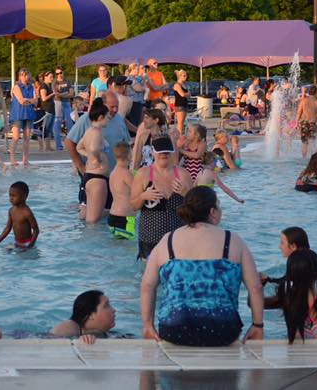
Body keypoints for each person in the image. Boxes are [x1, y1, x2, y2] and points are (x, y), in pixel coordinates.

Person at [140, 186, 263, 346]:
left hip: (174, 330)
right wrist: (257, 325)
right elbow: (255, 287)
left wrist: (147, 325)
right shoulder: (232, 240)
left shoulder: (167, 240)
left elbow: (147, 286)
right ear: (212, 212)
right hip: (224, 331)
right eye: (219, 205)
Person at [130, 135, 190, 259]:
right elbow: (133, 206)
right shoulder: (143, 174)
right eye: (160, 151)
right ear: (152, 151)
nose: (164, 154)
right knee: (149, 277)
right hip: (149, 240)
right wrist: (143, 196)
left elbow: (196, 208)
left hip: (177, 240)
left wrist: (185, 193)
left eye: (167, 151)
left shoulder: (183, 174)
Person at [77, 103, 111, 223]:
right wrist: (98, 159)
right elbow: (94, 148)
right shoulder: (97, 132)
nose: (109, 120)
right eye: (108, 117)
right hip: (98, 178)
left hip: (89, 177)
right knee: (93, 222)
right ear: (101, 117)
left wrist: (89, 155)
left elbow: (79, 148)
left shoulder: (88, 131)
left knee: (88, 218)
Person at [50, 290, 116, 344]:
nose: (114, 310)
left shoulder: (104, 333)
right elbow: (52, 344)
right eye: (106, 306)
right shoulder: (70, 326)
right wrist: (77, 339)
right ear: (91, 314)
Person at [0, 181, 39, 249]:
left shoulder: (27, 213)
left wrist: (30, 246)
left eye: (14, 196)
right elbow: (8, 228)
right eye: (10, 195)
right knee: (5, 251)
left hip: (27, 243)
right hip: (17, 242)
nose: (11, 198)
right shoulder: (11, 210)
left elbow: (36, 230)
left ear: (24, 196)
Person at [9, 68, 38, 168]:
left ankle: (25, 160)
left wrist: (28, 100)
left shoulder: (32, 87)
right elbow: (21, 101)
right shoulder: (17, 87)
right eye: (22, 75)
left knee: (27, 138)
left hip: (29, 114)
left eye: (26, 75)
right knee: (16, 137)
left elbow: (37, 101)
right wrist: (32, 100)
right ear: (19, 76)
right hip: (18, 114)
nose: (25, 77)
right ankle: (12, 159)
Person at [108, 143, 137, 239]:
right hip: (125, 218)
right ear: (129, 156)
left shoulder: (113, 173)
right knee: (127, 249)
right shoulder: (126, 173)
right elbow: (137, 190)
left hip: (112, 217)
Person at [52, 67, 73, 151]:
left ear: (63, 72)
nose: (59, 75)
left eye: (60, 72)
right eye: (57, 73)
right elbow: (56, 94)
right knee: (57, 123)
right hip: (58, 103)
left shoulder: (67, 81)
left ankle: (71, 144)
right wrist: (66, 93)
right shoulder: (54, 82)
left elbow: (71, 94)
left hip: (67, 103)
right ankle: (59, 145)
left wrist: (62, 94)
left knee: (69, 124)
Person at [296, 85, 317, 158]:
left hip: (304, 123)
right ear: (316, 92)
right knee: (312, 142)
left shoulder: (304, 100)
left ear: (309, 92)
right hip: (313, 123)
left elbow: (299, 112)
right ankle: (311, 159)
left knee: (304, 143)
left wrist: (296, 122)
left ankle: (304, 158)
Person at [37, 71, 56, 151]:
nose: (52, 78)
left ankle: (48, 146)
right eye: (50, 77)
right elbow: (44, 98)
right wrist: (53, 94)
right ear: (45, 77)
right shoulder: (43, 86)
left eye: (52, 77)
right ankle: (41, 146)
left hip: (51, 109)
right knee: (43, 128)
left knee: (49, 129)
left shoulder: (49, 86)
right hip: (46, 110)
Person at [172, 69, 190, 134]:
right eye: (184, 76)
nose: (186, 77)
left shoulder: (184, 85)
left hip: (184, 104)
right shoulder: (177, 85)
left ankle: (180, 137)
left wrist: (186, 94)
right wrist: (186, 94)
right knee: (180, 124)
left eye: (186, 75)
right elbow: (182, 94)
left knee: (182, 123)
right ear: (179, 76)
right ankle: (178, 138)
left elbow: (189, 94)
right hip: (179, 105)